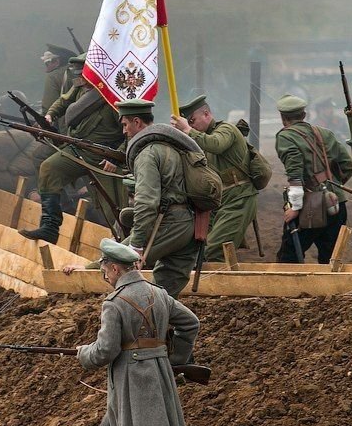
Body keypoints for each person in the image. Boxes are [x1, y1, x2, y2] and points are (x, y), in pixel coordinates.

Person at [77, 238, 198, 426]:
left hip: (130, 379)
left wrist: (84, 354)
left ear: (115, 268)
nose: (105, 277)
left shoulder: (113, 304)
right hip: (160, 373)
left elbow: (106, 350)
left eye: (105, 272)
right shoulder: (159, 293)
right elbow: (190, 324)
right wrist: (173, 360)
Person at [19, 55, 123, 244]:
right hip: (78, 148)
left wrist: (116, 158)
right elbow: (63, 101)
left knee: (113, 208)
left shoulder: (116, 96)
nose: (80, 80)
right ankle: (50, 226)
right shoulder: (81, 88)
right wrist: (50, 115)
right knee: (49, 168)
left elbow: (132, 132)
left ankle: (126, 247)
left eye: (84, 76)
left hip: (105, 157)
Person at [114, 99, 203, 298]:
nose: (124, 131)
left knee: (113, 260)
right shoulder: (174, 146)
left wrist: (136, 245)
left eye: (125, 124)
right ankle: (171, 329)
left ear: (137, 122)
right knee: (165, 295)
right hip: (191, 226)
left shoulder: (147, 154)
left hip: (167, 222)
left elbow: (146, 203)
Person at [171, 95, 258, 263]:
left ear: (206, 114)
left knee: (214, 251)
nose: (191, 125)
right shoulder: (201, 140)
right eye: (188, 123)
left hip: (239, 198)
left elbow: (216, 144)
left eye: (192, 120)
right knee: (198, 247)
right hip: (218, 202)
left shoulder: (226, 130)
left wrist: (188, 131)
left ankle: (222, 287)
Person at [274, 94, 352, 265]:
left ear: (283, 117)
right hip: (337, 202)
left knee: (289, 258)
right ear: (304, 115)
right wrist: (333, 186)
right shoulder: (325, 133)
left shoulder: (286, 137)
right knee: (330, 259)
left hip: (310, 206)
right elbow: (347, 166)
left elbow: (295, 175)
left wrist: (295, 207)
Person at [40, 44, 76, 112]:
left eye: (47, 64)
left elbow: (48, 108)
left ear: (56, 61)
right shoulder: (84, 72)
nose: (46, 70)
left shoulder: (53, 77)